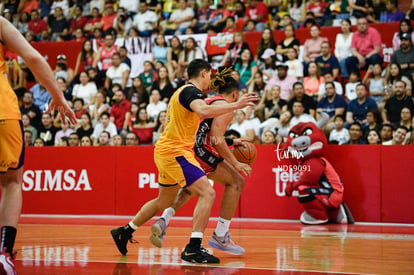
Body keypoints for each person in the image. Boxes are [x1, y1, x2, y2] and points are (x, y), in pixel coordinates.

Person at [110, 59, 257, 264]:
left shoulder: (185, 93)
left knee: (164, 201)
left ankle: (125, 231)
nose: (211, 80)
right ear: (204, 73)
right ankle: (193, 248)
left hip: (166, 151)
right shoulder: (191, 92)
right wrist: (236, 104)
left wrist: (230, 140)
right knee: (208, 193)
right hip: (176, 152)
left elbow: (202, 130)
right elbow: (204, 112)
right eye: (210, 75)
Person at [0, 15, 76, 275]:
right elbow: (32, 57)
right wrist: (58, 95)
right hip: (3, 112)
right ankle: (3, 252)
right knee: (11, 182)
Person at [150, 69, 252, 255]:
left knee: (190, 189)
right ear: (235, 94)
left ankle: (164, 219)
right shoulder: (227, 107)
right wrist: (236, 164)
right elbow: (216, 138)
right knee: (237, 181)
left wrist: (231, 141)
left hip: (189, 146)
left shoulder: (209, 100)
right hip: (198, 149)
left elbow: (208, 133)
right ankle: (221, 235)